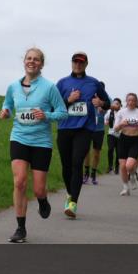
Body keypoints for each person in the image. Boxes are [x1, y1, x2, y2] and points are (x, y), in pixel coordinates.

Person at [0, 47, 68, 242]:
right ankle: (20, 228)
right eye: (29, 58)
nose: (32, 61)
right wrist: (5, 111)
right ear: (24, 62)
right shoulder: (13, 86)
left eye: (36, 59)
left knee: (38, 189)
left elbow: (63, 113)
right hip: (19, 137)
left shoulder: (49, 87)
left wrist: (46, 115)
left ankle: (42, 200)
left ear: (41, 64)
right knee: (19, 182)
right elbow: (8, 104)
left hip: (41, 142)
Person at [55, 52, 110, 218]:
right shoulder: (62, 83)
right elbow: (54, 106)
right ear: (71, 63)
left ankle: (73, 203)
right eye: (75, 62)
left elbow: (107, 102)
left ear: (86, 64)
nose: (78, 65)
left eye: (81, 62)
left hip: (84, 129)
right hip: (65, 128)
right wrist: (69, 100)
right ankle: (70, 192)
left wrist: (101, 103)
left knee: (76, 162)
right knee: (66, 166)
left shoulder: (93, 83)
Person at [113, 93, 138, 196]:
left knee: (129, 165)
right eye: (129, 100)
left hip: (135, 140)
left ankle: (132, 175)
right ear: (126, 101)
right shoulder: (121, 112)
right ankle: (125, 187)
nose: (131, 102)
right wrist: (121, 124)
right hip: (123, 139)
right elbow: (115, 128)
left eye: (133, 100)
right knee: (122, 166)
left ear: (136, 101)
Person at [84, 84, 108, 185]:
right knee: (86, 151)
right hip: (88, 128)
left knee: (96, 153)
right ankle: (86, 174)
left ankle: (93, 174)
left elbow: (108, 106)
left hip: (99, 130)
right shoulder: (89, 97)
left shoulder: (106, 98)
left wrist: (102, 107)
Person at [105, 98, 122, 174]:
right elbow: (105, 119)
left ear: (120, 105)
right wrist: (106, 122)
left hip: (120, 135)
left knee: (118, 152)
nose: (115, 105)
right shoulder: (110, 112)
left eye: (117, 104)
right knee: (110, 149)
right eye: (114, 103)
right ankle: (110, 166)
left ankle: (117, 167)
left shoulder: (122, 113)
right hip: (111, 134)